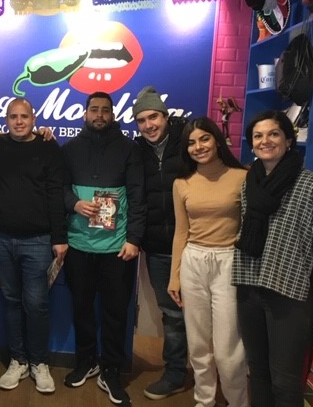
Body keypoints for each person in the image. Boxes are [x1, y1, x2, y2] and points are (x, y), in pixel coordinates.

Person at [233, 110, 313, 407]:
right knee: (258, 372)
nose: (265, 141)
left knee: (285, 380)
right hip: (249, 286)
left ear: (288, 140)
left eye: (273, 134)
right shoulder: (249, 182)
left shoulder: (311, 185)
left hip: (290, 293)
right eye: (258, 136)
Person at [61, 92, 145, 407]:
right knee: (81, 308)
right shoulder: (69, 149)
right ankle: (86, 361)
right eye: (94, 109)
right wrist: (74, 203)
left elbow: (137, 196)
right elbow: (58, 189)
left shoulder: (128, 149)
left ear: (112, 114)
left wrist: (134, 239)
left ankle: (111, 369)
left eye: (105, 110)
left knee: (115, 312)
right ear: (85, 114)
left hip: (117, 248)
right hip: (78, 245)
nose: (99, 115)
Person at [0, 98, 68, 394]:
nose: (18, 122)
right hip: (1, 239)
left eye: (24, 116)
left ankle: (39, 362)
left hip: (38, 241)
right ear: (5, 120)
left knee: (36, 304)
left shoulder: (48, 147)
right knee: (11, 301)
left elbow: (56, 193)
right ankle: (18, 360)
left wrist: (59, 237)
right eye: (13, 117)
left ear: (34, 119)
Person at [168, 116, 249, 407]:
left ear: (217, 140)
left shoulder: (241, 177)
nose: (198, 147)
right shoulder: (182, 183)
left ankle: (237, 402)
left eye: (204, 139)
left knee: (228, 350)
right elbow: (181, 232)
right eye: (191, 143)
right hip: (193, 262)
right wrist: (174, 276)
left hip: (229, 262)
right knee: (199, 344)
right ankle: (204, 400)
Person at [133, 86, 189, 400]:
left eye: (153, 117)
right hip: (157, 248)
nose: (148, 125)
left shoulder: (189, 141)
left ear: (165, 116)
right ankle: (176, 374)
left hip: (196, 247)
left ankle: (214, 377)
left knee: (208, 316)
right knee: (173, 314)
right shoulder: (136, 150)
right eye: (141, 120)